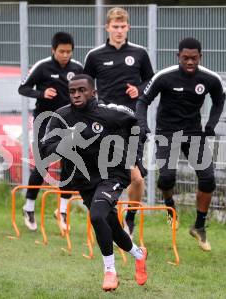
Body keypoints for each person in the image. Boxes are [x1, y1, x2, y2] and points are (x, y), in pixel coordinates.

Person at [42, 74, 148, 292]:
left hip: (113, 174)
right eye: (72, 91)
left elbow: (138, 127)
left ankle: (110, 271)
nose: (77, 95)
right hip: (84, 179)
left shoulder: (109, 113)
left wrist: (134, 159)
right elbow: (46, 149)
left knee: (97, 215)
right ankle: (139, 254)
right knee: (111, 225)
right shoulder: (61, 117)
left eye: (82, 90)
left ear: (93, 93)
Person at [136, 37, 226, 252]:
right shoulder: (164, 77)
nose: (189, 62)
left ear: (200, 57)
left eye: (194, 58)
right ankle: (169, 206)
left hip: (194, 133)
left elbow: (219, 99)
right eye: (185, 58)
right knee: (167, 178)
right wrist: (142, 125)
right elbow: (143, 100)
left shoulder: (210, 78)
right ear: (178, 56)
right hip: (167, 133)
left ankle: (199, 226)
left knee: (208, 179)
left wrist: (211, 124)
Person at [83, 7, 154, 237]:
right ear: (107, 28)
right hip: (103, 125)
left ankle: (130, 219)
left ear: (128, 28)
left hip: (131, 125)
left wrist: (139, 89)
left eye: (123, 27)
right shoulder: (94, 56)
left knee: (136, 177)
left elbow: (151, 81)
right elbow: (84, 85)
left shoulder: (140, 53)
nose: (119, 31)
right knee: (103, 175)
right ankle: (106, 219)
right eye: (115, 27)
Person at [18, 32, 83, 231]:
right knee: (42, 163)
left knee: (70, 163)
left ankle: (62, 210)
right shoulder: (42, 67)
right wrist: (41, 93)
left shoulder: (77, 68)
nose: (65, 55)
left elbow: (85, 90)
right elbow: (23, 88)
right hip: (44, 122)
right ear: (53, 50)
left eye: (69, 52)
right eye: (61, 51)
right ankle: (28, 207)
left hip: (68, 123)